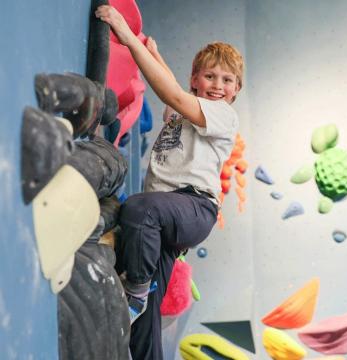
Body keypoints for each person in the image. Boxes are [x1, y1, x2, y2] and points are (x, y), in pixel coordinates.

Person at [96, 5, 243, 359]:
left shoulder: (223, 116)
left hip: (193, 209)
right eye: (209, 77)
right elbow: (176, 91)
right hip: (161, 223)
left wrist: (128, 37)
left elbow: (174, 94)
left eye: (227, 80)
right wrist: (155, 55)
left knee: (137, 208)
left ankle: (133, 294)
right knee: (144, 330)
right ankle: (140, 305)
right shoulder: (184, 109)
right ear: (196, 80)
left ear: (236, 90)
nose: (217, 86)